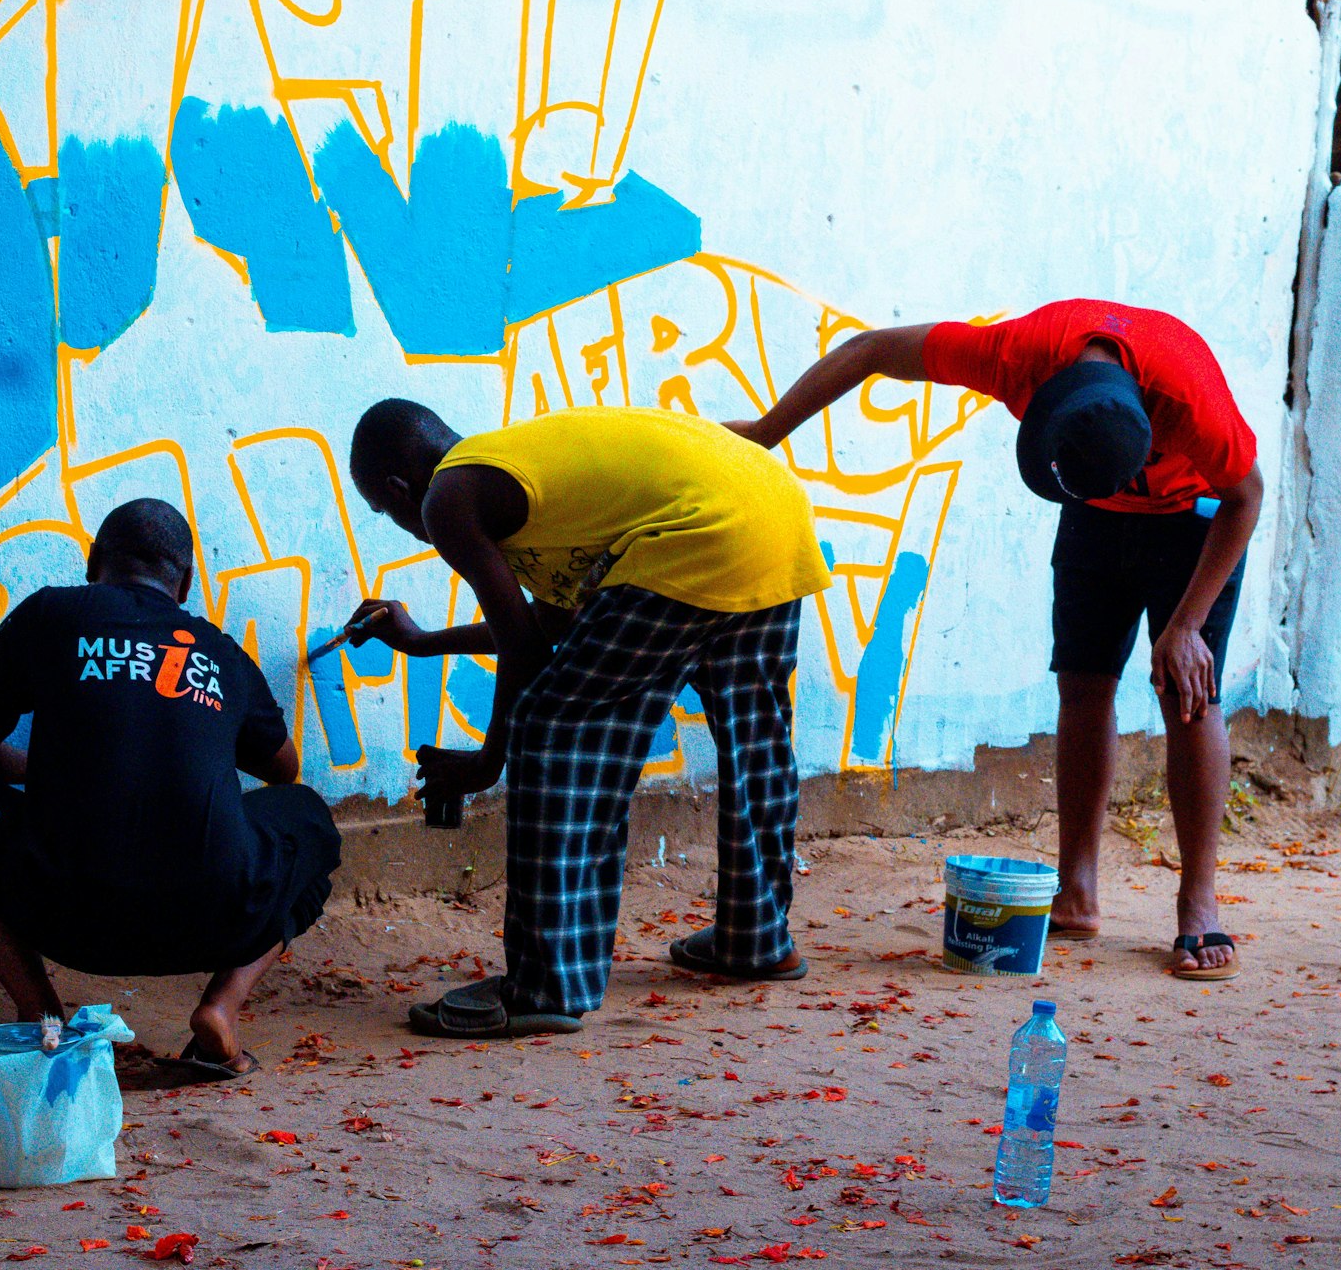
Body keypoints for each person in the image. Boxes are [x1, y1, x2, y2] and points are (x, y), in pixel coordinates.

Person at [728, 300, 1260, 981]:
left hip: (1197, 519)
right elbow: (866, 351)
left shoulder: (1188, 396)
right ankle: (1077, 893)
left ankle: (1198, 905)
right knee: (1083, 681)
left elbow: (1247, 493)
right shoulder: (1014, 356)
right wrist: (767, 433)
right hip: (1093, 514)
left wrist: (1187, 626)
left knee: (1189, 694)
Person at [346, 401, 832, 1037]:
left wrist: (487, 761)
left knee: (554, 731)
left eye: (385, 512)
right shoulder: (530, 477)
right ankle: (758, 937)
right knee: (754, 735)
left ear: (397, 488)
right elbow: (550, 627)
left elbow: (528, 654)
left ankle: (543, 987)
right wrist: (427, 640)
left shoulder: (449, 497)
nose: (405, 528)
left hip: (697, 536)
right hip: (773, 516)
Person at [0, 498, 343, 1075]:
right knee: (308, 818)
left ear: (94, 562)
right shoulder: (219, 651)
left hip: (62, 913)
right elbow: (283, 770)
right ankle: (221, 1009)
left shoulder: (49, 616)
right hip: (213, 917)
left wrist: (49, 771)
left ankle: (43, 1016)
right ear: (186, 582)